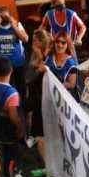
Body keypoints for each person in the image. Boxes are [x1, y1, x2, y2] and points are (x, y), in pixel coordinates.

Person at [0, 6, 28, 97]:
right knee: (4, 85)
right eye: (1, 17)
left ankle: (22, 102)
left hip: (17, 61)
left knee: (20, 84)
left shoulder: (17, 24)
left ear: (10, 16)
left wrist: (14, 26)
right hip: (1, 63)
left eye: (6, 17)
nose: (4, 19)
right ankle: (6, 102)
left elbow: (25, 39)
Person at [25, 28, 51, 164]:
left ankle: (47, 163)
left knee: (41, 132)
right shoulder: (34, 54)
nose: (32, 42)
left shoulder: (47, 56)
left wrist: (39, 56)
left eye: (35, 40)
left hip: (43, 97)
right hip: (35, 94)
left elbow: (38, 73)